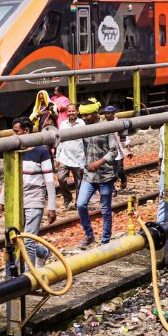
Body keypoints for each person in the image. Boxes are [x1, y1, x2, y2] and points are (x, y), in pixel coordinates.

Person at [0, 117, 57, 266]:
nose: (13, 135)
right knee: (17, 237)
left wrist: (52, 207)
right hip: (17, 199)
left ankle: (30, 276)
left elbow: (49, 181)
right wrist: (1, 201)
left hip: (35, 198)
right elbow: (9, 179)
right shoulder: (14, 151)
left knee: (28, 240)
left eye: (16, 132)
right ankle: (42, 252)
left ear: (26, 131)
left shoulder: (41, 151)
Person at [76, 102, 118, 247]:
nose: (84, 118)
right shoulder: (84, 129)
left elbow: (114, 151)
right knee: (81, 204)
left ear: (95, 114)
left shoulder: (107, 128)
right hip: (89, 175)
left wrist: (99, 163)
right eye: (82, 116)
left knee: (105, 209)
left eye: (87, 115)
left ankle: (105, 239)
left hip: (105, 175)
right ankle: (89, 235)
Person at [55, 104, 86, 209]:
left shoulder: (82, 124)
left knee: (79, 182)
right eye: (69, 111)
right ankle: (67, 198)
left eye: (73, 111)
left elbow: (85, 142)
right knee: (61, 178)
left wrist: (86, 159)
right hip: (65, 157)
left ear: (77, 111)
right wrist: (57, 157)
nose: (71, 113)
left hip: (78, 158)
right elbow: (60, 141)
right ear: (66, 112)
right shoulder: (63, 124)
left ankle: (79, 202)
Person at [102, 105, 129, 192]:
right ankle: (112, 189)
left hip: (118, 150)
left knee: (119, 170)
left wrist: (128, 148)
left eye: (109, 113)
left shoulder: (119, 123)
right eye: (105, 114)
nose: (107, 115)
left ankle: (124, 179)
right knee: (110, 171)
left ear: (113, 113)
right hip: (108, 150)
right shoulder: (103, 124)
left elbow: (125, 136)